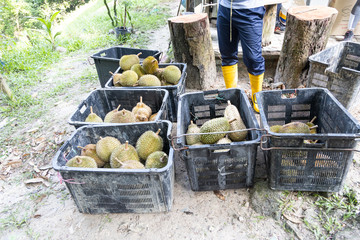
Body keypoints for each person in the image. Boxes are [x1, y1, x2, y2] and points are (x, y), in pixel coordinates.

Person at [217, 0, 265, 112]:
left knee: (253, 58)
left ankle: (256, 96)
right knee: (227, 55)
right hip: (225, 8)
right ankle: (231, 96)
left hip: (251, 9)